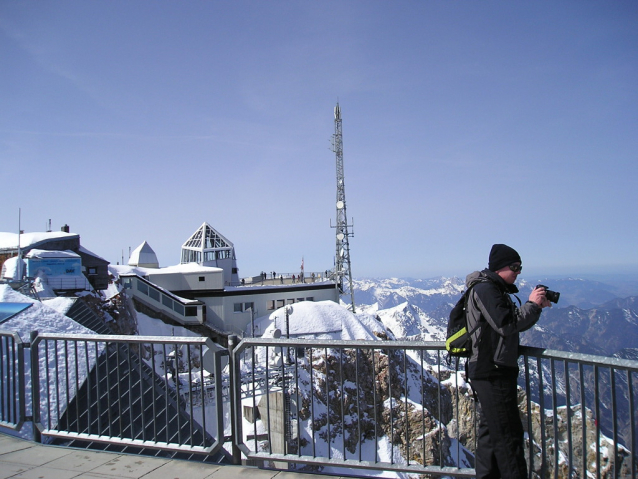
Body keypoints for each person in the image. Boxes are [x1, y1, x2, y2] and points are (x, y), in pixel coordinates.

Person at [465, 244, 551, 479]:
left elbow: (507, 324)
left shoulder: (494, 289)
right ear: (500, 267)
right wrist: (532, 305)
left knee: (491, 435)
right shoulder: (486, 289)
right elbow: (506, 324)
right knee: (508, 436)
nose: (518, 271)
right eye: (515, 266)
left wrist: (535, 308)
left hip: (491, 370)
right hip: (492, 371)